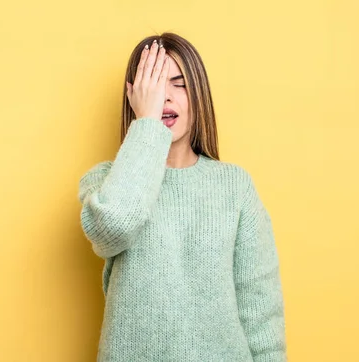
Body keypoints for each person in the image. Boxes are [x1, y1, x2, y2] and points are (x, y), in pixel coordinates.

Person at [78, 32, 287, 361]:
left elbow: (261, 310)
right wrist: (148, 125)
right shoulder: (106, 180)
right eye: (154, 86)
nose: (165, 98)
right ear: (134, 96)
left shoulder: (235, 186)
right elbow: (114, 228)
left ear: (199, 93)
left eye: (179, 83)